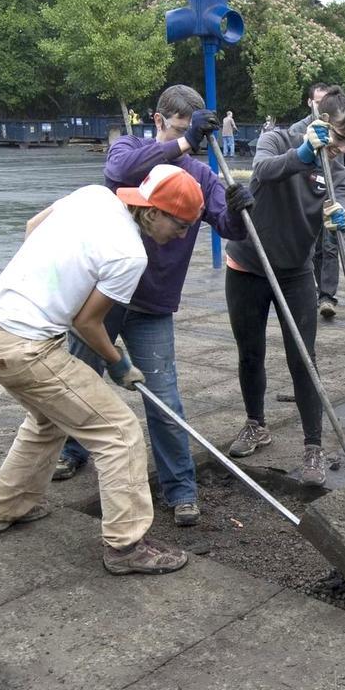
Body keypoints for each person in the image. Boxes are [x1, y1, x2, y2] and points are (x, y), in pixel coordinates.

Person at [0, 164, 203, 574]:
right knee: (119, 432)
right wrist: (120, 365)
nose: (183, 236)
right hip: (26, 347)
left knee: (48, 422)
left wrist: (47, 284)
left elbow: (32, 227)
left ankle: (5, 508)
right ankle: (126, 547)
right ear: (151, 211)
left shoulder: (94, 196)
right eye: (180, 225)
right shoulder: (131, 254)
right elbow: (87, 323)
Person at [50, 84, 253, 529]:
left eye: (196, 134)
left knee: (164, 397)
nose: (191, 142)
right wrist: (180, 142)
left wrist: (239, 208)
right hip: (99, 298)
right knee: (79, 380)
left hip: (152, 303)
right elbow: (116, 170)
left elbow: (228, 226)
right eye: (182, 130)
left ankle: (180, 488)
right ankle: (70, 450)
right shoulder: (131, 152)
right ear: (158, 121)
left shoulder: (199, 176)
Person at [223, 88, 345, 487]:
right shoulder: (278, 139)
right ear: (319, 122)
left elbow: (325, 212)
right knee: (250, 352)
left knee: (304, 358)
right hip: (249, 264)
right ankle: (256, 424)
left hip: (295, 271)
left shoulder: (335, 169)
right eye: (338, 137)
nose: (342, 148)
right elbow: (262, 173)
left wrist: (338, 223)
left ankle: (314, 446)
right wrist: (303, 153)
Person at [289, 83, 345, 318]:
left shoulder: (343, 134)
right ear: (310, 103)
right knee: (309, 249)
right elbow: (269, 169)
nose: (341, 147)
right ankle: (309, 291)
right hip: (306, 200)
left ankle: (327, 296)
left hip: (332, 194)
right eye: (317, 102)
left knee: (331, 246)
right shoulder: (295, 131)